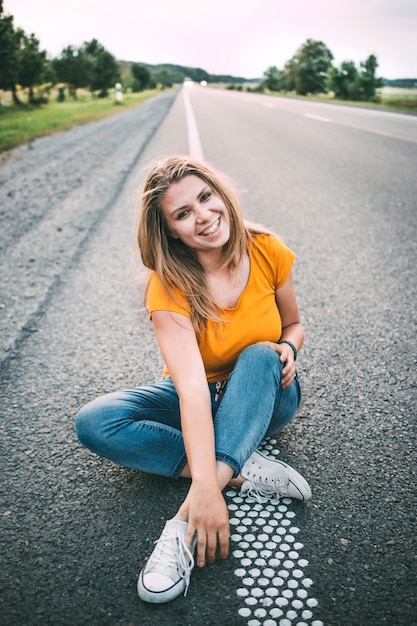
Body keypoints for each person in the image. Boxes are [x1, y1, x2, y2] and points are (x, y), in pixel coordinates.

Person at [75, 155, 311, 605]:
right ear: (170, 231)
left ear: (221, 194)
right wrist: (209, 481)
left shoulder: (267, 249)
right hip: (202, 391)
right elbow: (190, 390)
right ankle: (236, 469)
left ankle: (179, 532)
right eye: (183, 214)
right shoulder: (167, 285)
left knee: (261, 353)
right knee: (95, 421)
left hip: (266, 394)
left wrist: (291, 348)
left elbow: (293, 324)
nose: (203, 216)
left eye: (205, 197)